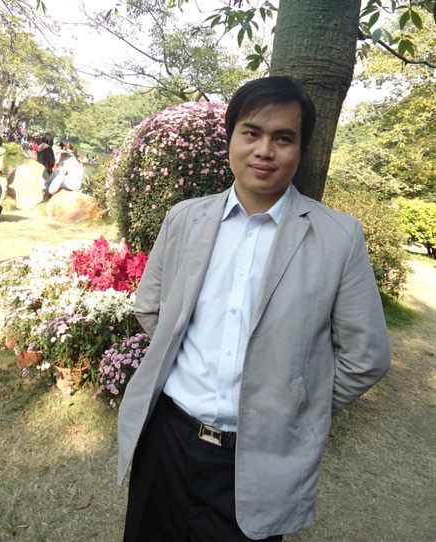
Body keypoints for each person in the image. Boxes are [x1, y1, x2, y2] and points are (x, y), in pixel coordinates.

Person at [117, 76, 391, 542]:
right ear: (231, 138)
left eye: (283, 138)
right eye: (251, 133)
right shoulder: (185, 218)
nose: (264, 150)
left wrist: (297, 407)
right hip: (166, 440)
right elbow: (150, 308)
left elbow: (366, 357)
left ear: (300, 149)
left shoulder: (337, 238)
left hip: (257, 461)